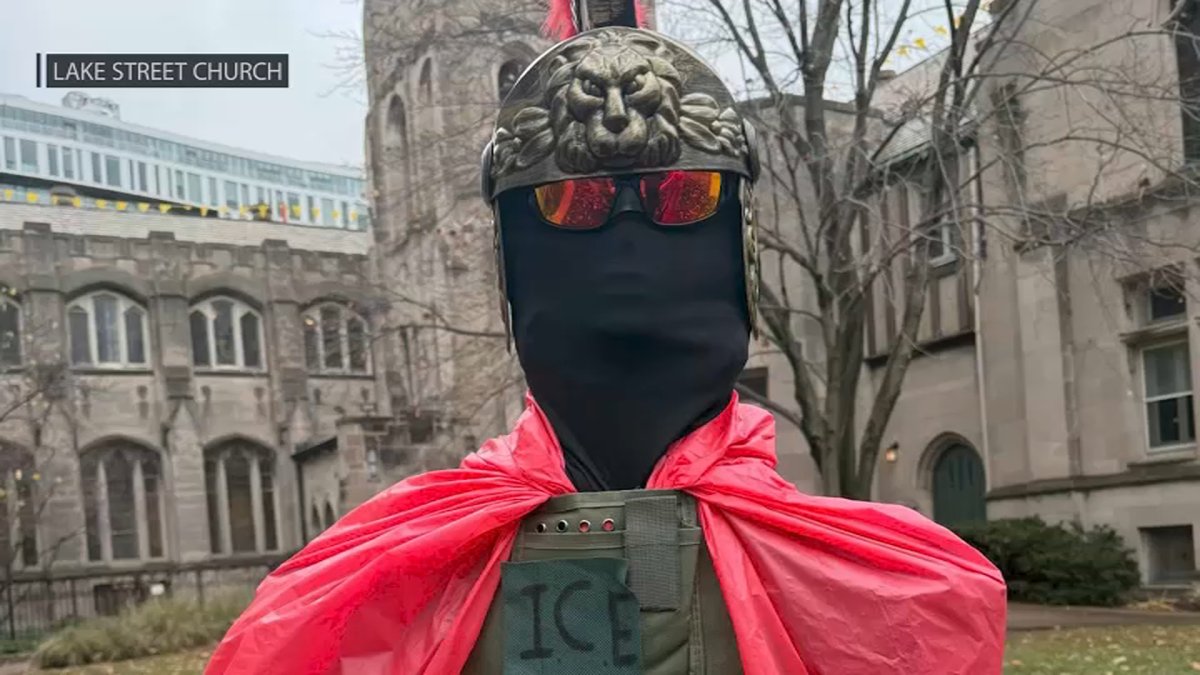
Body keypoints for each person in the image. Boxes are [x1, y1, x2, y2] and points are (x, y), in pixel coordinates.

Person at [204, 1, 1006, 673]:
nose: (630, 247)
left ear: (739, 252)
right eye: (576, 204)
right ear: (515, 270)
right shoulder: (384, 575)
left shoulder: (898, 585)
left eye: (683, 197)